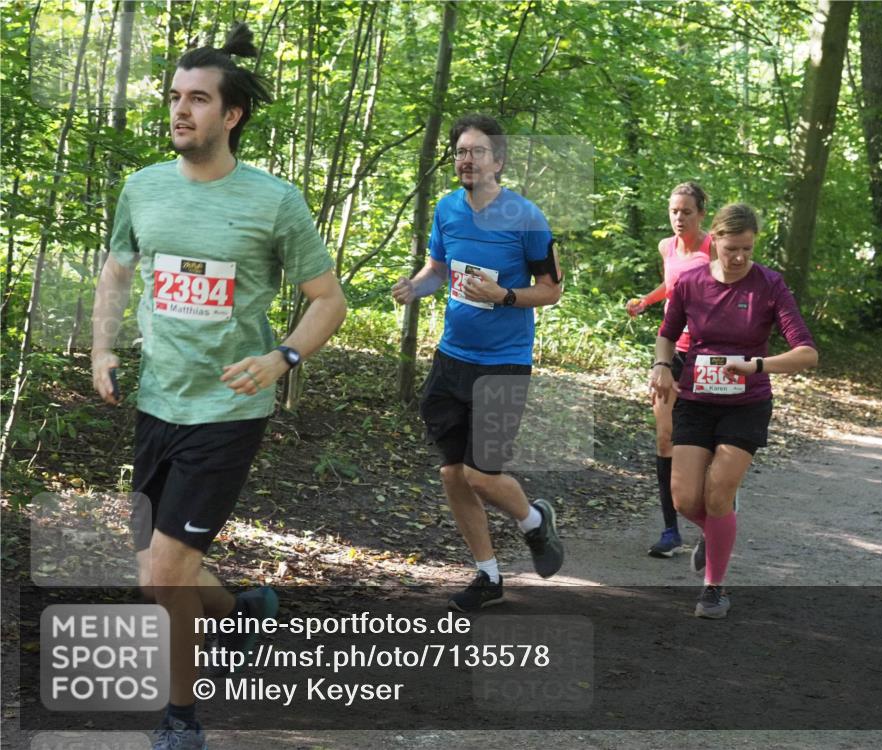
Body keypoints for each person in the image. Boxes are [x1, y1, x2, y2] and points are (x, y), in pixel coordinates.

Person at [91, 24, 347, 750]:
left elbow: (329, 300)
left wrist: (281, 360)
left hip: (228, 410)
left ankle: (181, 720)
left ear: (230, 115)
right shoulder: (140, 188)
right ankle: (241, 614)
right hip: (156, 402)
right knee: (155, 567)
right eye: (175, 97)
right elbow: (117, 272)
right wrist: (102, 350)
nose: (180, 110)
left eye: (197, 100)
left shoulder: (274, 202)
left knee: (162, 580)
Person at [391, 113, 564, 612]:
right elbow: (438, 269)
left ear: (499, 161)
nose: (467, 160)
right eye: (461, 152)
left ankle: (533, 520)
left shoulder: (526, 217)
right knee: (452, 474)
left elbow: (552, 290)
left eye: (477, 152)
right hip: (451, 359)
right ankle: (487, 575)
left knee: (482, 475)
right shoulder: (448, 209)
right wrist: (415, 286)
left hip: (504, 363)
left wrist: (505, 295)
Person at [650, 203, 817, 619]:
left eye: (747, 249)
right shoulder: (690, 282)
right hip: (697, 401)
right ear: (716, 242)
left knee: (719, 490)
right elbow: (667, 336)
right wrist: (660, 368)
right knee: (686, 498)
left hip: (746, 403)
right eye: (731, 249)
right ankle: (718, 527)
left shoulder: (770, 285)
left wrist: (757, 364)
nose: (739, 257)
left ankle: (713, 589)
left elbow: (807, 353)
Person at [626, 182, 712, 558]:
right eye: (674, 211)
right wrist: (647, 300)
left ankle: (714, 518)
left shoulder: (714, 248)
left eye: (687, 212)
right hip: (672, 350)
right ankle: (670, 531)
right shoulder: (666, 246)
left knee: (703, 442)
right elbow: (672, 284)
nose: (679, 218)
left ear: (701, 214)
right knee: (665, 438)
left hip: (709, 355)